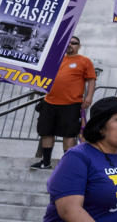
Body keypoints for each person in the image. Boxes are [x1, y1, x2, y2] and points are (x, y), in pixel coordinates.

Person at [31, 36, 96, 170]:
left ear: (79, 46)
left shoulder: (85, 61)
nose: (70, 45)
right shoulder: (55, 59)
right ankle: (46, 162)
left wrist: (89, 97)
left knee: (69, 134)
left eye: (74, 43)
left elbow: (91, 80)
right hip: (49, 102)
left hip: (71, 104)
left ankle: (67, 165)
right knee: (46, 132)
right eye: (68, 42)